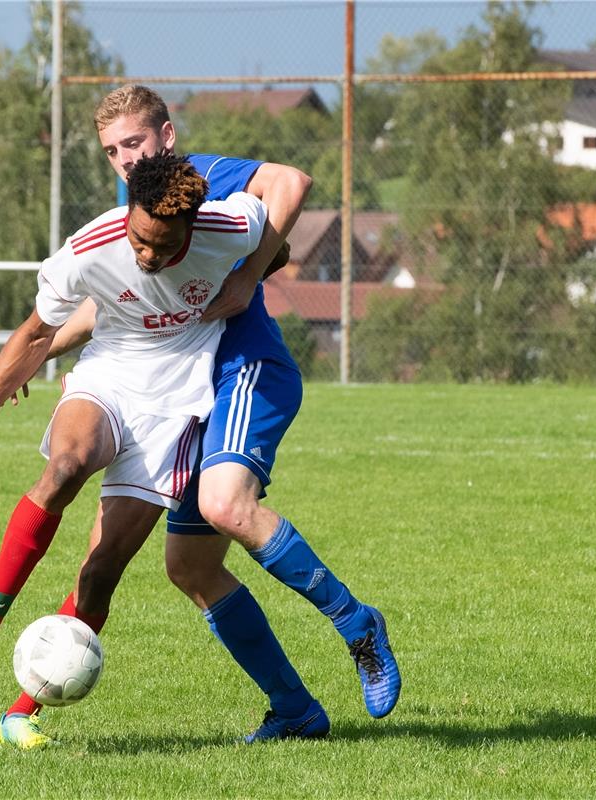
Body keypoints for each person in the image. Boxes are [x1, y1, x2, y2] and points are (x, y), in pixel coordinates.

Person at [0, 152, 331, 748]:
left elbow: (282, 214)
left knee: (102, 572)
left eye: (163, 248)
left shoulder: (228, 224)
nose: (146, 256)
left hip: (174, 408)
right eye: (139, 239)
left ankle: (19, 713)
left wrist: (250, 274)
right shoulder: (92, 245)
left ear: (192, 226)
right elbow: (34, 333)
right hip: (107, 378)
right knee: (65, 467)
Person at [46, 86, 402, 736]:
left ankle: (356, 622)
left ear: (166, 136)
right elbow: (106, 305)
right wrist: (41, 346)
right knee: (190, 567)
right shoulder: (138, 216)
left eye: (134, 143)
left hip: (244, 368)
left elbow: (291, 180)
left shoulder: (203, 177)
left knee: (224, 506)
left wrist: (248, 276)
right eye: (111, 151)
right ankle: (295, 710)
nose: (126, 159)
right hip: (188, 397)